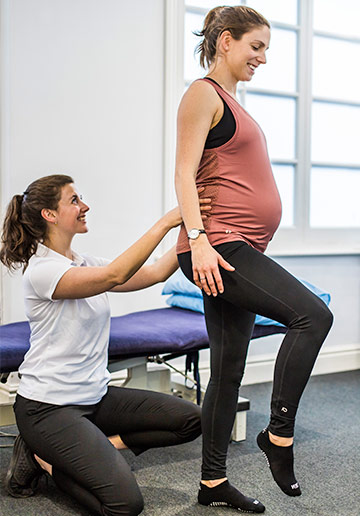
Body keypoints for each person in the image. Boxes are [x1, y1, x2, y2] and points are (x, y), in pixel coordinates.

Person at [175, 5, 333, 513]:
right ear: (225, 41)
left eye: (266, 49)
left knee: (227, 373)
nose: (262, 58)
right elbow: (182, 173)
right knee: (313, 315)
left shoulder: (233, 104)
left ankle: (212, 484)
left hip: (230, 246)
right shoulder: (203, 94)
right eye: (256, 46)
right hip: (218, 245)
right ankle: (279, 436)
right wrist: (197, 239)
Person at [0, 174, 212, 515]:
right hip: (47, 408)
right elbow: (116, 274)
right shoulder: (42, 271)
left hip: (95, 396)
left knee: (192, 419)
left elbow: (156, 272)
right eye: (74, 200)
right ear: (49, 215)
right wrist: (169, 221)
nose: (85, 206)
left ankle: (95, 447)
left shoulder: (85, 263)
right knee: (124, 505)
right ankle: (46, 463)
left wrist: (195, 231)